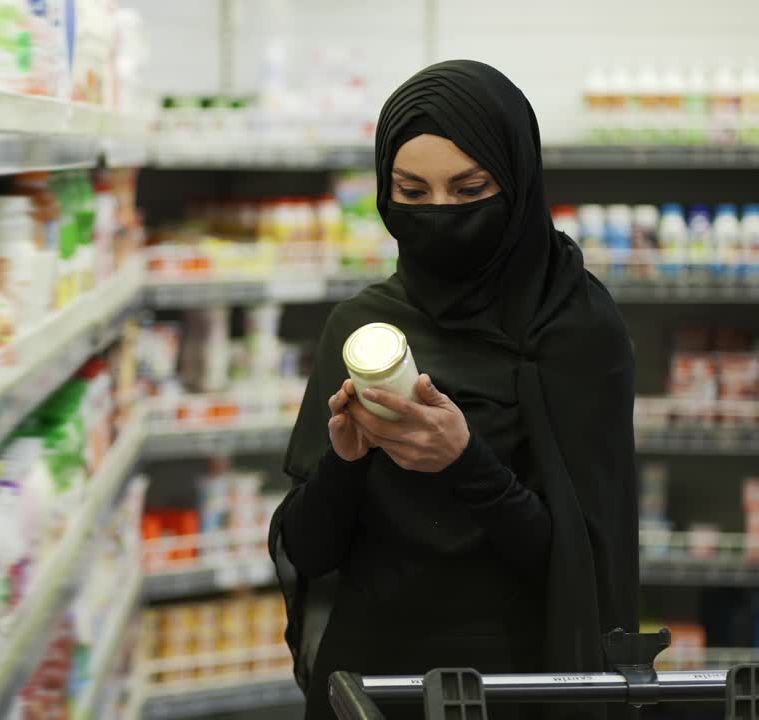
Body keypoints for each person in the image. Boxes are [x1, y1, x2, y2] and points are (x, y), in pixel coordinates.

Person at [269, 60, 638, 720]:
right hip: (370, 684)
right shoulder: (362, 328)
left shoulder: (575, 329)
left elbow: (583, 565)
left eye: (469, 189)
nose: (439, 213)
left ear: (517, 183)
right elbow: (310, 550)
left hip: (520, 685)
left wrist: (465, 461)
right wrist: (345, 463)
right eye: (412, 192)